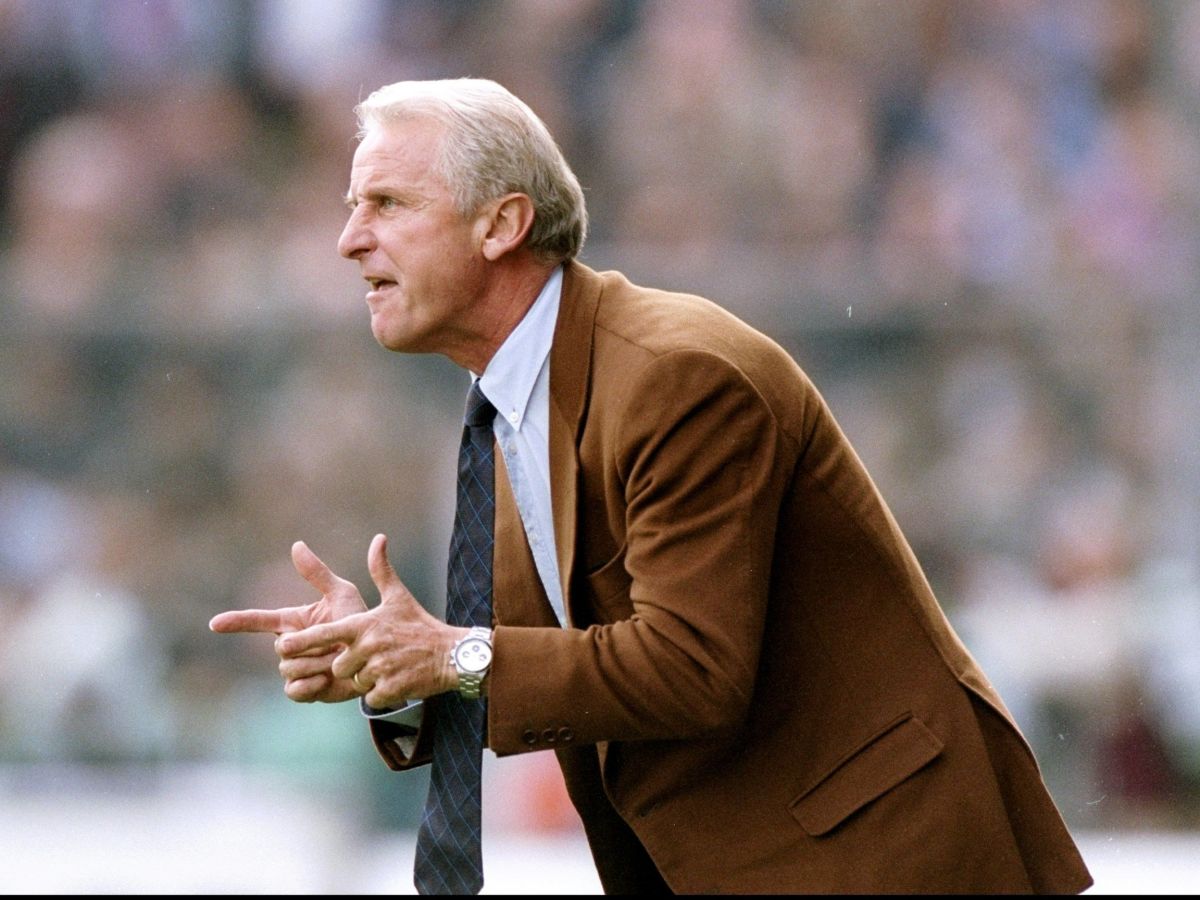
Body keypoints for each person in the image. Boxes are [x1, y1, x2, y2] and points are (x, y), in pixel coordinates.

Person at [209, 77, 1093, 894]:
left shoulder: (677, 376)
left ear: (501, 225)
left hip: (881, 861)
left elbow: (691, 668)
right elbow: (558, 676)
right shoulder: (519, 399)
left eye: (388, 204)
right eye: (352, 207)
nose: (349, 239)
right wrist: (389, 665)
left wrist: (452, 654)